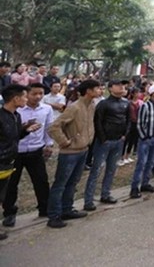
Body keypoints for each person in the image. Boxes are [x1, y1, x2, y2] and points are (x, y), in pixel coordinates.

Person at [46, 79, 100, 228]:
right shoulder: (74, 107)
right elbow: (54, 127)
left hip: (83, 149)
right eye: (97, 88)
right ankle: (54, 215)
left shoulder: (91, 106)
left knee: (73, 182)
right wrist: (64, 142)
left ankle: (67, 209)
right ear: (88, 91)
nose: (100, 90)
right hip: (70, 152)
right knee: (61, 183)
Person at [2, 83, 53, 227]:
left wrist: (48, 143)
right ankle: (9, 213)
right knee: (11, 185)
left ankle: (44, 208)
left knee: (41, 181)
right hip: (14, 154)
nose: (37, 97)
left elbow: (48, 127)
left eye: (41, 93)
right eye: (32, 94)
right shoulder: (12, 113)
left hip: (35, 151)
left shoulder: (45, 109)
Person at [0, 85, 42, 239]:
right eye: (25, 96)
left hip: (8, 162)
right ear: (16, 99)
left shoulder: (15, 115)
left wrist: (26, 130)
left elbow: (14, 137)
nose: (27, 99)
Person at [83, 79, 129, 211]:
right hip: (105, 142)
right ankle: (88, 200)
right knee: (96, 170)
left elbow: (127, 120)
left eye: (123, 85)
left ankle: (106, 194)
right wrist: (103, 138)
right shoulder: (104, 104)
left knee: (111, 169)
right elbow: (98, 122)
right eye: (118, 85)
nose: (121, 87)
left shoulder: (125, 104)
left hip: (118, 141)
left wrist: (124, 135)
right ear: (110, 88)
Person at [130, 83, 154, 198]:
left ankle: (145, 183)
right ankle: (134, 187)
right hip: (146, 139)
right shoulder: (145, 106)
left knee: (151, 162)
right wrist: (144, 136)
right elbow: (140, 123)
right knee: (141, 163)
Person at [120, 87, 142, 166]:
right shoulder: (128, 103)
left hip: (137, 123)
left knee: (133, 140)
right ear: (132, 94)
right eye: (136, 93)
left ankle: (127, 156)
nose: (138, 94)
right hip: (130, 123)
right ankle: (121, 157)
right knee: (126, 140)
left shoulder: (140, 103)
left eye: (138, 93)